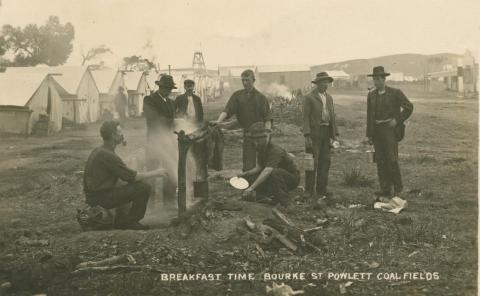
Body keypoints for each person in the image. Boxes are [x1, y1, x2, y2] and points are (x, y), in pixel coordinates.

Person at [83, 120, 166, 230]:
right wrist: (157, 172)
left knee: (125, 185)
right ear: (113, 135)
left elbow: (122, 175)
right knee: (143, 187)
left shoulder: (100, 150)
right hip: (100, 198)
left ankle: (121, 219)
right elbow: (133, 177)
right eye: (120, 132)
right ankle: (130, 222)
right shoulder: (108, 155)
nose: (122, 135)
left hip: (94, 196)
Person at [366, 66, 413, 199]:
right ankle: (385, 189)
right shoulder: (371, 95)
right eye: (374, 79)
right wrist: (369, 135)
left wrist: (397, 121)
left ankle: (398, 189)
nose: (375, 82)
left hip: (390, 131)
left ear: (384, 79)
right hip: (377, 132)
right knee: (380, 160)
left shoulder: (395, 92)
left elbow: (409, 107)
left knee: (392, 159)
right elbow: (370, 116)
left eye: (378, 79)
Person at [213, 69, 272, 171]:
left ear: (253, 80)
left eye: (247, 80)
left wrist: (267, 134)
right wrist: (219, 121)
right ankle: (249, 182)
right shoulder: (237, 96)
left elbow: (267, 118)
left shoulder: (261, 98)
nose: (245, 83)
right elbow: (228, 110)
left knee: (262, 163)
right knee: (248, 165)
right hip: (248, 136)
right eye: (243, 80)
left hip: (261, 136)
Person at [238, 122, 300, 206]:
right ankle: (265, 197)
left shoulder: (275, 150)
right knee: (250, 177)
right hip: (275, 177)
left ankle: (285, 202)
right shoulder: (261, 149)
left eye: (258, 140)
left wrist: (251, 188)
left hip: (291, 178)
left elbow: (267, 171)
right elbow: (258, 168)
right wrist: (244, 174)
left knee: (274, 172)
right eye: (254, 140)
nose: (256, 143)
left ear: (265, 138)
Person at [143, 75, 177, 208]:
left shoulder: (170, 103)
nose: (168, 91)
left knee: (170, 171)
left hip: (168, 143)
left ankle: (168, 202)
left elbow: (171, 124)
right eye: (166, 88)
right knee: (151, 173)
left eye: (170, 89)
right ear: (160, 87)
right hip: (154, 143)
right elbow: (154, 120)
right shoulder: (149, 100)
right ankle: (148, 205)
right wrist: (174, 122)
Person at [303, 72, 339, 199]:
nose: (325, 84)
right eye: (322, 82)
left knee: (325, 162)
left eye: (327, 82)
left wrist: (335, 134)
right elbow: (305, 117)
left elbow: (332, 116)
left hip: (326, 132)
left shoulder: (329, 97)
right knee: (312, 162)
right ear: (317, 83)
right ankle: (308, 190)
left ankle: (321, 189)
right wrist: (307, 135)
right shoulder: (309, 97)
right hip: (314, 134)